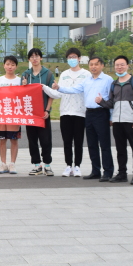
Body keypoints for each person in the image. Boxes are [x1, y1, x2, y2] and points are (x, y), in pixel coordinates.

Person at [53, 56, 115, 182]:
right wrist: (59, 88)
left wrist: (111, 116)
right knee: (92, 144)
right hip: (89, 114)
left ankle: (108, 172)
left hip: (101, 113)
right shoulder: (87, 80)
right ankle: (95, 171)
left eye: (96, 64)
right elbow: (74, 89)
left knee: (104, 144)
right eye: (91, 64)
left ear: (102, 65)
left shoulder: (108, 80)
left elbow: (112, 99)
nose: (93, 67)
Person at [99, 56, 133, 185]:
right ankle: (122, 173)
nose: (119, 67)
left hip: (131, 120)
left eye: (122, 64)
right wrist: (101, 102)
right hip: (117, 122)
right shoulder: (114, 84)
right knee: (120, 149)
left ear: (127, 66)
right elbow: (111, 103)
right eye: (117, 65)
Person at [48, 48, 90, 177]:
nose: (72, 59)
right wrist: (45, 88)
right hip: (65, 111)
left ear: (79, 58)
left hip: (80, 112)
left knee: (78, 141)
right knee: (67, 141)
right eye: (70, 57)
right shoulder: (64, 74)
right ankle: (68, 165)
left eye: (74, 57)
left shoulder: (86, 74)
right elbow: (58, 93)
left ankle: (77, 166)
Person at [21, 48, 55, 176]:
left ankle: (47, 164)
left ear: (41, 58)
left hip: (43, 113)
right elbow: (20, 94)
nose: (34, 59)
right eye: (32, 56)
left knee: (46, 140)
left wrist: (47, 109)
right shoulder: (26, 74)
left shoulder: (48, 74)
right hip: (30, 113)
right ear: (29, 59)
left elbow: (51, 93)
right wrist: (23, 85)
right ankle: (37, 165)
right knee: (32, 140)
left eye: (37, 56)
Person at [0, 56, 22, 175]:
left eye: (13, 64)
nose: (10, 67)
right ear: (4, 65)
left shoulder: (20, 81)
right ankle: (3, 163)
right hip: (1, 113)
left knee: (14, 139)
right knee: (2, 139)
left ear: (16, 67)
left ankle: (12, 164)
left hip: (14, 114)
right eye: (8, 64)